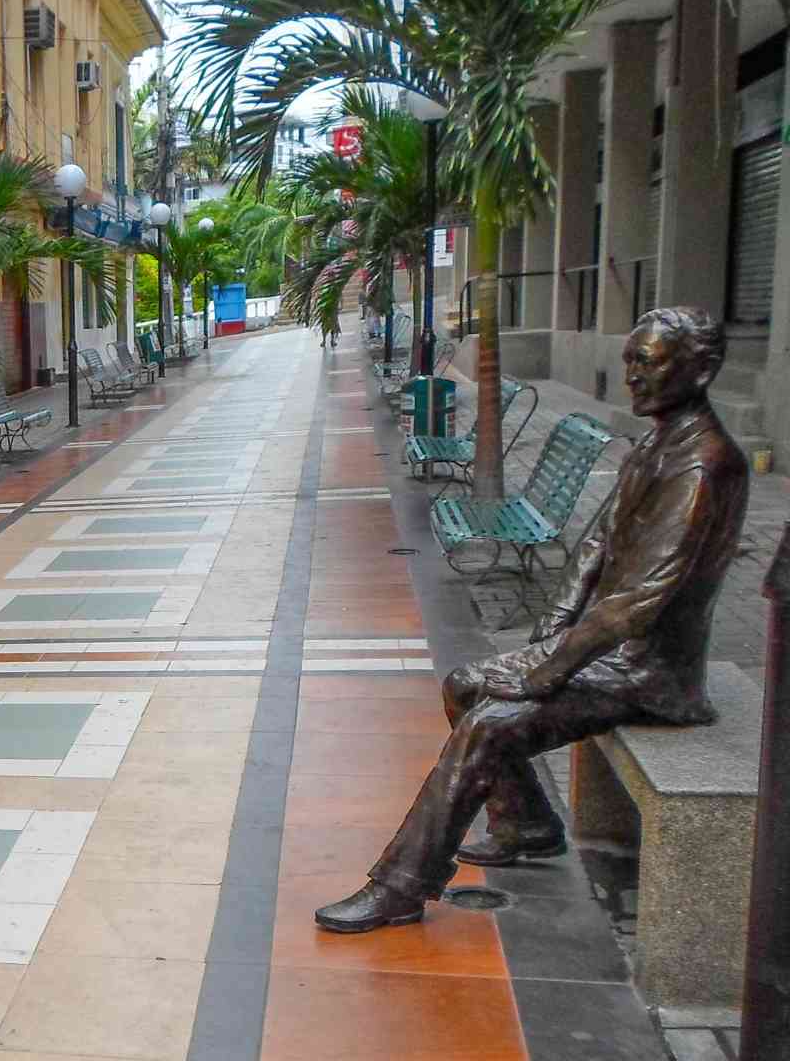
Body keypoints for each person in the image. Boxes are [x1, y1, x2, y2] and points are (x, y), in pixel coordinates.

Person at [315, 306, 750, 933]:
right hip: (605, 652)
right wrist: (557, 620)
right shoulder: (659, 440)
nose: (631, 375)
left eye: (646, 361)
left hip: (649, 673)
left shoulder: (705, 463)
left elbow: (640, 601)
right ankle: (527, 823)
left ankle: (401, 886)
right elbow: (598, 543)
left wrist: (548, 668)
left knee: (491, 723)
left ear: (701, 369)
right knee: (464, 683)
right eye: (628, 359)